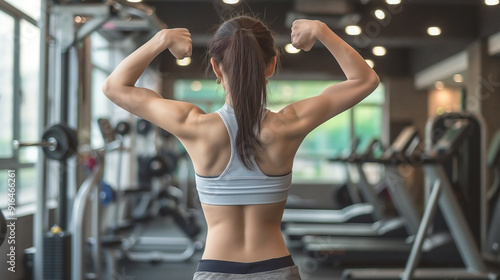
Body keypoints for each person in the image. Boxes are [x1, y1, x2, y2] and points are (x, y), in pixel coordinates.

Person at [103, 15, 379, 280]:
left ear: (215, 67)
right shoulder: (290, 124)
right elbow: (365, 80)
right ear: (271, 66)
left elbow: (115, 86)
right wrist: (321, 31)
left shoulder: (193, 125)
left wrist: (161, 39)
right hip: (276, 268)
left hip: (216, 267)